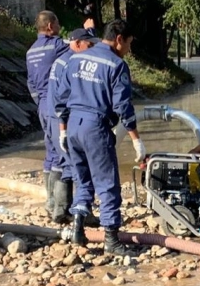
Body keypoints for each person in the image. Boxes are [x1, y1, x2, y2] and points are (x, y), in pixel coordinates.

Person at [55, 19, 145, 255]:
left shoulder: (75, 59)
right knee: (107, 184)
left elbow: (60, 98)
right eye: (129, 44)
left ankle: (78, 231)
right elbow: (123, 107)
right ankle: (111, 240)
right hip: (95, 127)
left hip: (73, 126)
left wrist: (63, 130)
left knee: (82, 179)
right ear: (119, 39)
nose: (129, 49)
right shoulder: (116, 65)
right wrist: (136, 139)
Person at [46, 28, 101, 224]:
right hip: (64, 120)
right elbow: (68, 96)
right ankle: (80, 213)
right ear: (77, 44)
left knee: (63, 163)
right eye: (89, 45)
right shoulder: (72, 62)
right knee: (78, 167)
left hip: (53, 117)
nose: (92, 49)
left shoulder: (61, 60)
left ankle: (57, 208)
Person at [26, 11, 69, 216]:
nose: (60, 27)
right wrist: (89, 31)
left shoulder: (30, 51)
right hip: (55, 105)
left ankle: (50, 202)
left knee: (51, 153)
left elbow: (31, 84)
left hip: (42, 106)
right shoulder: (56, 46)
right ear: (50, 26)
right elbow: (79, 46)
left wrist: (41, 103)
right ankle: (60, 208)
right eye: (58, 23)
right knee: (63, 154)